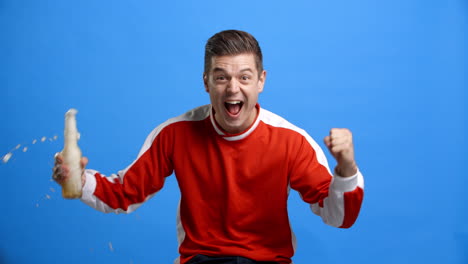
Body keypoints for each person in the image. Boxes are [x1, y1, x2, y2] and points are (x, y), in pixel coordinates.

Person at [53, 29, 364, 264]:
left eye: (244, 77)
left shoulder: (291, 140)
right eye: (221, 77)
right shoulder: (175, 134)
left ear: (261, 81)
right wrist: (78, 181)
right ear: (206, 82)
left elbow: (339, 217)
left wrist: (346, 168)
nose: (233, 88)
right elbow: (125, 193)